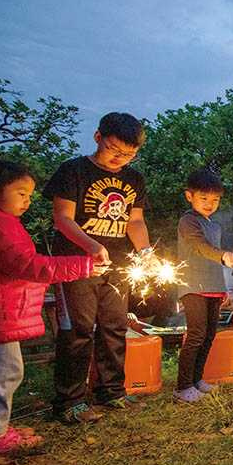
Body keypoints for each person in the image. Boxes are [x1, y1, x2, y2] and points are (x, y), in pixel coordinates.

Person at [43, 112, 151, 424]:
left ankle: (111, 391)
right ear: (97, 137)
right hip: (77, 265)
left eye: (129, 154)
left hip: (118, 267)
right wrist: (90, 245)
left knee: (115, 326)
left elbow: (136, 220)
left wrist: (145, 251)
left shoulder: (134, 179)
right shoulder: (73, 171)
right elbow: (62, 217)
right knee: (77, 329)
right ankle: (69, 401)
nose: (121, 158)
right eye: (115, 150)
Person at [0, 161, 103, 452]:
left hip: (5, 312)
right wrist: (82, 265)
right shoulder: (0, 226)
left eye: (29, 195)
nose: (27, 201)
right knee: (7, 371)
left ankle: (1, 426)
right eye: (21, 193)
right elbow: (27, 265)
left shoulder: (9, 223)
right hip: (1, 312)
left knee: (7, 369)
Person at [175, 169, 233, 403]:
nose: (210, 204)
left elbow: (216, 257)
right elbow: (200, 247)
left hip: (213, 285)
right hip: (193, 285)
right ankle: (182, 387)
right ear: (189, 196)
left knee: (209, 334)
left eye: (215, 200)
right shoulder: (188, 221)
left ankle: (197, 379)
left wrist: (224, 287)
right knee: (196, 334)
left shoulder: (215, 226)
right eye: (204, 199)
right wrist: (222, 255)